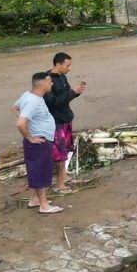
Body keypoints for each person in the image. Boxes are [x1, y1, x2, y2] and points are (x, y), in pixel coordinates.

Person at [16, 71, 63, 214]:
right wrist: (30, 136)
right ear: (42, 84)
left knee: (36, 170)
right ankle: (44, 205)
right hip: (38, 141)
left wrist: (31, 123)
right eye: (50, 81)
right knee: (40, 172)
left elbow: (15, 107)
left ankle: (35, 199)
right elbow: (20, 123)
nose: (52, 84)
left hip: (40, 139)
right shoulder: (33, 101)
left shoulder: (28, 95)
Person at [45, 51, 86, 196]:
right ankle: (59, 183)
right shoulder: (48, 80)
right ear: (58, 64)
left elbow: (66, 96)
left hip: (66, 117)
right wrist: (71, 93)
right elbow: (52, 102)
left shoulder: (62, 77)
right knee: (59, 153)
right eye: (67, 65)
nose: (69, 68)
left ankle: (64, 176)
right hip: (56, 121)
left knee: (66, 149)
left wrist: (76, 92)